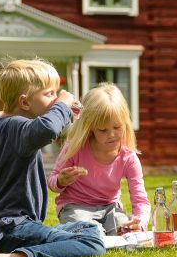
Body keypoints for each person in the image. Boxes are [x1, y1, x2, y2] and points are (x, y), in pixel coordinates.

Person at [0, 58, 106, 257]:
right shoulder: (19, 126)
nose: (54, 99)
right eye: (49, 94)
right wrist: (62, 107)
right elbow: (47, 130)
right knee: (93, 243)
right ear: (24, 103)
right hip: (14, 229)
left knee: (88, 227)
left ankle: (2, 252)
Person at [48, 83, 150, 235]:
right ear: (91, 127)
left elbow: (140, 199)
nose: (112, 135)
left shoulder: (128, 156)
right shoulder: (75, 147)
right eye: (103, 130)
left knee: (126, 231)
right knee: (90, 232)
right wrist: (61, 181)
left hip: (110, 207)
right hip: (75, 206)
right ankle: (63, 234)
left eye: (117, 127)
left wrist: (139, 222)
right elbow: (52, 183)